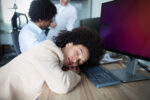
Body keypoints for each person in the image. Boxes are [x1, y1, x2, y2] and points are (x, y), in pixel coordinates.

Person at [0, 27, 104, 100]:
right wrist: (76, 75)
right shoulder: (48, 50)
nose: (76, 60)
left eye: (80, 61)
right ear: (69, 43)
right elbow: (61, 85)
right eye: (78, 52)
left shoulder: (58, 60)